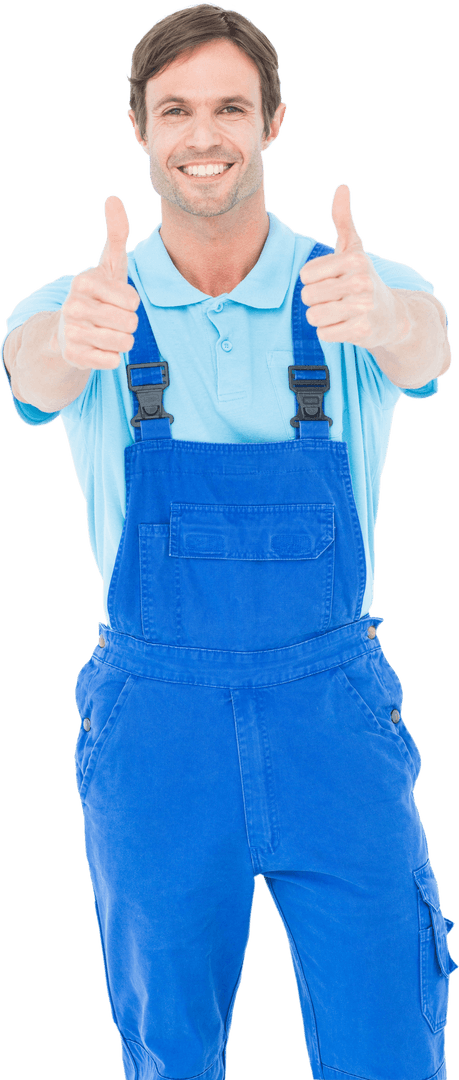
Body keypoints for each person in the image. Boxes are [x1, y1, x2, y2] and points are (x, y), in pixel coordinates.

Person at [2, 4, 456, 1080]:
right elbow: (28, 370)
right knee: (170, 1053)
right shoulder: (93, 304)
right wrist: (67, 340)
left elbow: (429, 341)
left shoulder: (351, 291)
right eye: (176, 110)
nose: (203, 133)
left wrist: (390, 324)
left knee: (391, 1034)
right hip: (157, 724)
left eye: (229, 108)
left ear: (273, 122)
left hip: (332, 718)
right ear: (139, 128)